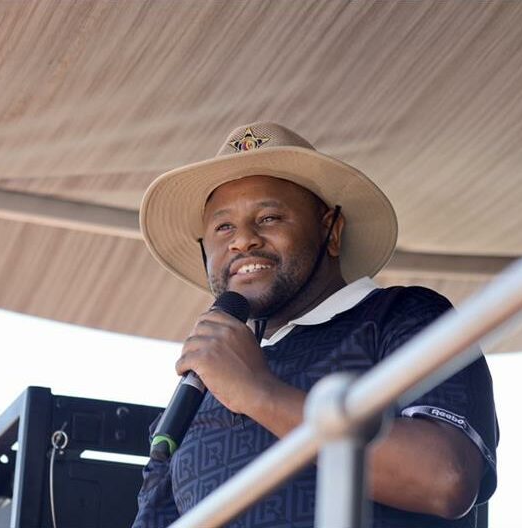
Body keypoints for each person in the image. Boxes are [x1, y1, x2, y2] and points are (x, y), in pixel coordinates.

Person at [134, 122, 498, 527]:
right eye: (223, 227)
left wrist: (258, 392)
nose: (242, 241)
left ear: (332, 230)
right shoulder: (201, 385)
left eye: (269, 217)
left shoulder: (404, 315)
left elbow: (445, 479)